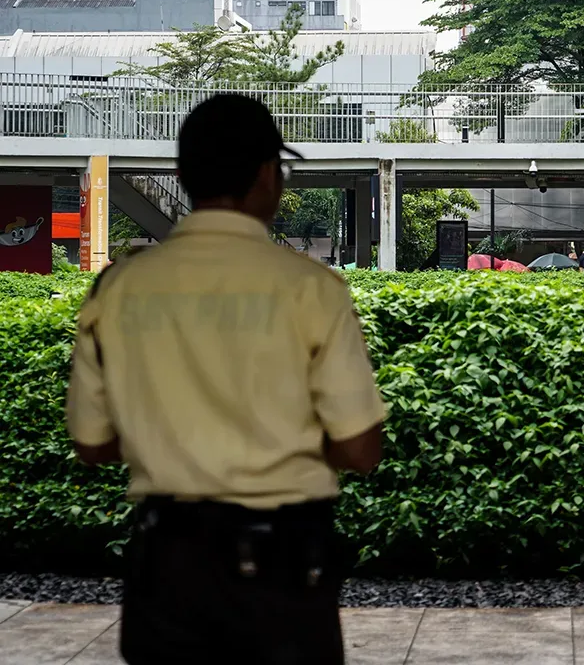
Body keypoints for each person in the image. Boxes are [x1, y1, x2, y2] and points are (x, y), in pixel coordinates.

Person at [66, 94, 389, 665]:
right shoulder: (311, 289)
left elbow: (91, 445)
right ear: (268, 175)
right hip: (286, 571)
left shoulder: (119, 290)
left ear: (184, 176)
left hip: (166, 568)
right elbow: (361, 449)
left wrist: (175, 437)